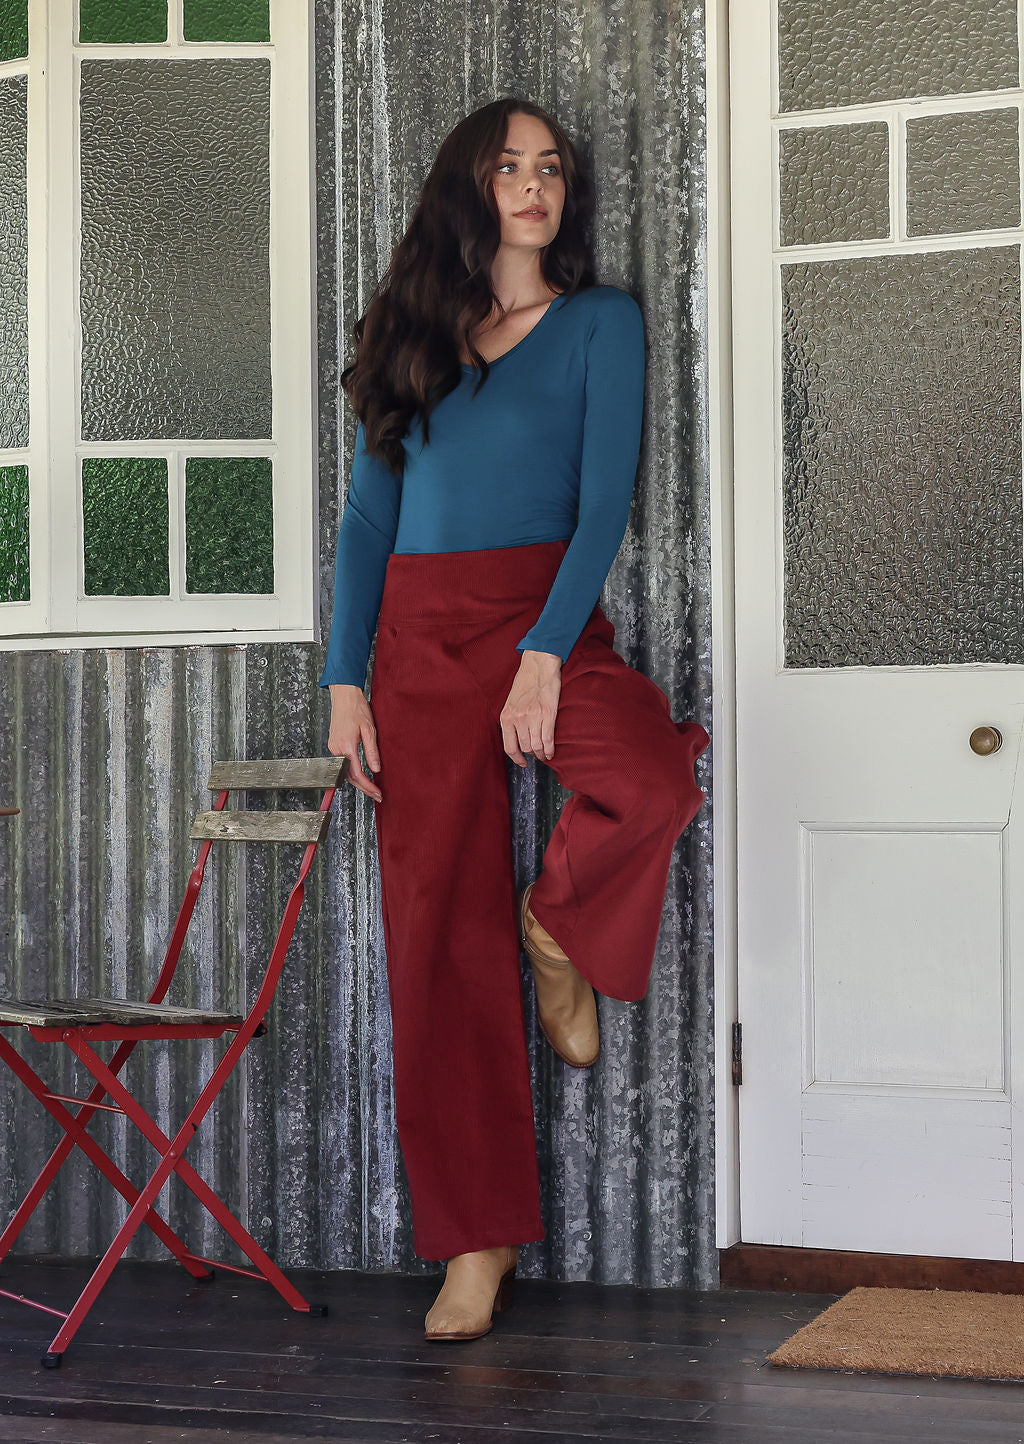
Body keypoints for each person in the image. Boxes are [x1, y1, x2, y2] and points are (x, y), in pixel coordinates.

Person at [320, 95, 710, 1342]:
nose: (533, 186)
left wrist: (544, 652)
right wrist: (344, 678)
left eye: (551, 168)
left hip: (545, 618)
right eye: (509, 167)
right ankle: (476, 1245)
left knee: (649, 781)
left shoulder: (602, 323)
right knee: (434, 932)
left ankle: (557, 926)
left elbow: (604, 505)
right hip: (420, 645)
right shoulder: (410, 331)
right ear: (469, 187)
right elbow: (369, 522)